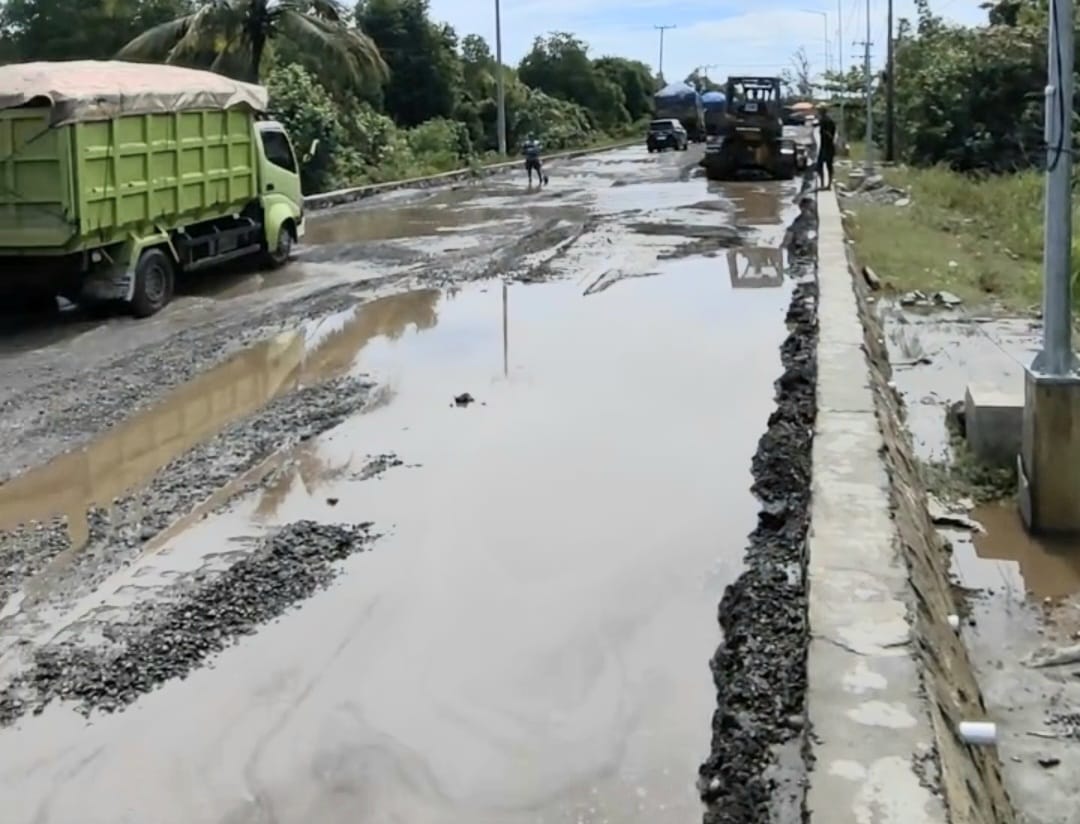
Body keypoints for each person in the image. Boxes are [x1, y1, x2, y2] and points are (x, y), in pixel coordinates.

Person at [816, 106, 837, 190]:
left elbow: (830, 134)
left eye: (819, 110)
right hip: (826, 146)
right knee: (827, 166)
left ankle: (825, 184)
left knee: (822, 166)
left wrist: (826, 133)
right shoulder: (826, 120)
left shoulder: (826, 121)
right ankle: (827, 184)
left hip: (827, 147)